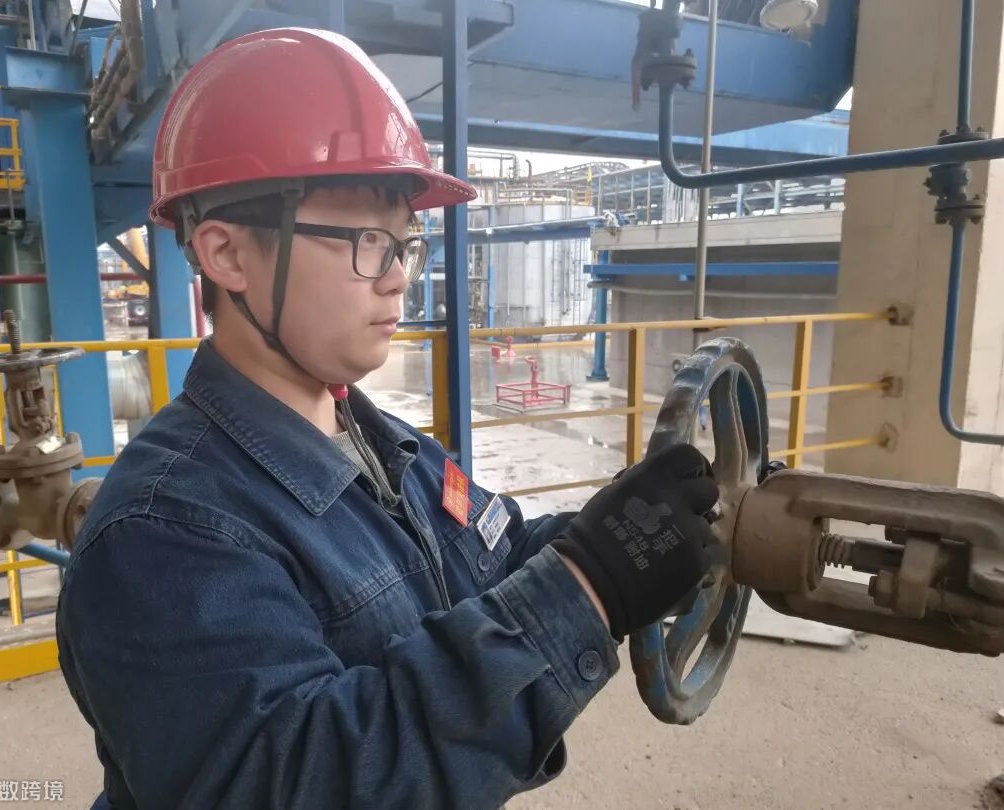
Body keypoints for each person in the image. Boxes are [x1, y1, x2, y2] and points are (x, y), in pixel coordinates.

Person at [58, 28, 720, 810]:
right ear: (227, 255)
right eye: (369, 241)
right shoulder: (163, 533)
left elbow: (496, 561)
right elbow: (307, 781)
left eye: (407, 243)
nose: (399, 277)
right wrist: (589, 587)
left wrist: (631, 532)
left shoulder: (386, 445)